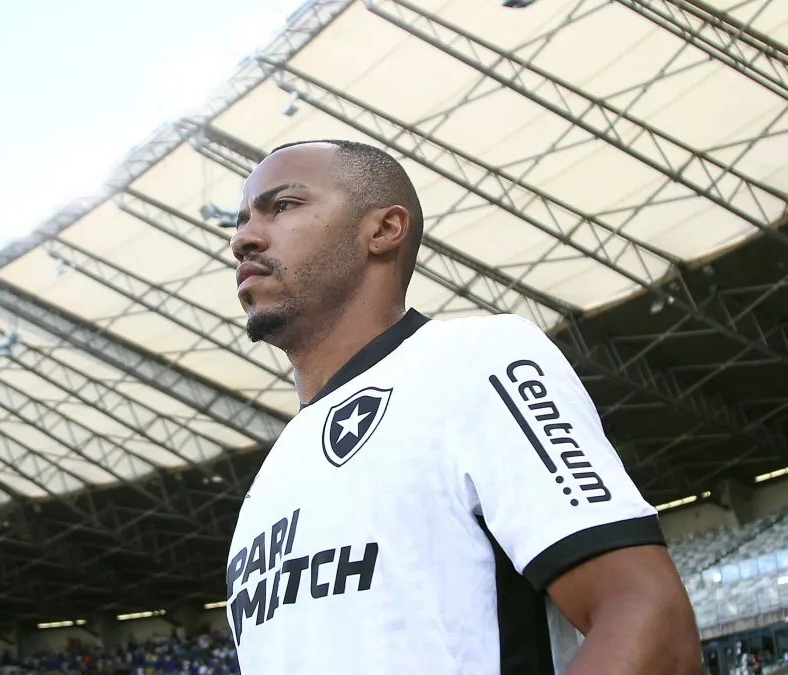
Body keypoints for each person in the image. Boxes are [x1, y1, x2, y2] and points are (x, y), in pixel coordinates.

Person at [223, 139, 700, 674]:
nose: (243, 239)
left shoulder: (475, 359)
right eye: (240, 221)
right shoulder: (271, 478)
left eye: (283, 205)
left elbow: (650, 623)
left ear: (384, 230)